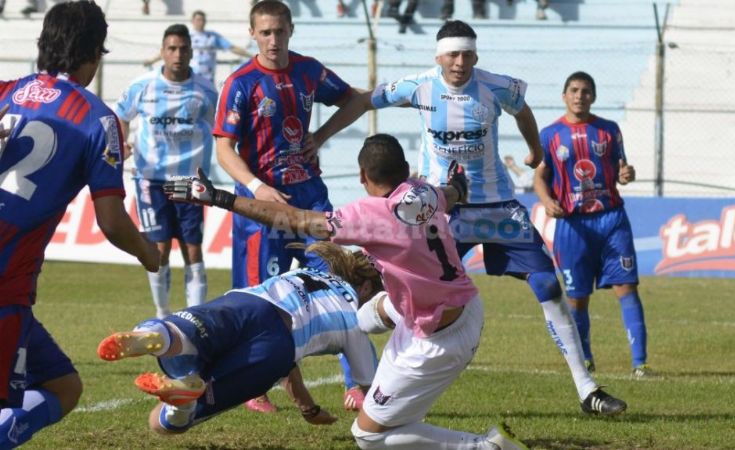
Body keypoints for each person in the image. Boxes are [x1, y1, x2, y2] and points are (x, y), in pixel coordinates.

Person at [307, 20, 627, 416]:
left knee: (547, 283)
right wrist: (320, 137)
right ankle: (353, 338)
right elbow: (362, 101)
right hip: (441, 207)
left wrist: (534, 151)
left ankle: (586, 389)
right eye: (453, 54)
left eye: (467, 54)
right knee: (407, 294)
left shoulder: (495, 86)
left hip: (497, 207)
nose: (460, 62)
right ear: (438, 56)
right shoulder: (418, 86)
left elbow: (523, 112)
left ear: (476, 55)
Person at [164, 133, 529, 449]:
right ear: (403, 171)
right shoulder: (423, 192)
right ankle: (386, 324)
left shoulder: (373, 213)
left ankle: (486, 446)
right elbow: (450, 194)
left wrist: (221, 198)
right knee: (365, 318)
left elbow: (298, 220)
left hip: (438, 336)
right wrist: (461, 187)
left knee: (368, 437)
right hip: (456, 305)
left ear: (362, 176)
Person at [0, 2, 160, 448]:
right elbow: (109, 220)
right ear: (93, 53)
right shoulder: (97, 119)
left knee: (64, 386)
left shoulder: (6, 91)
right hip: (4, 287)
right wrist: (147, 251)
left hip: (13, 293)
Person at [214, 0, 365, 414]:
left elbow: (354, 100)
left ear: (291, 30)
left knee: (339, 283)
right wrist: (256, 187)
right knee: (260, 298)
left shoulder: (309, 71)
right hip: (261, 206)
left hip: (310, 197)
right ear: (253, 34)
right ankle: (253, 385)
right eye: (265, 32)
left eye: (280, 31)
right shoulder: (241, 83)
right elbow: (223, 148)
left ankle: (356, 385)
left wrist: (322, 134)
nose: (273, 40)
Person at [97, 242, 380, 434]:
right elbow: (372, 393)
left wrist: (308, 407)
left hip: (247, 303)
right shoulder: (355, 318)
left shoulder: (306, 272)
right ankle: (182, 405)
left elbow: (289, 364)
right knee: (162, 424)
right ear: (365, 287)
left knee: (180, 333)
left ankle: (155, 333)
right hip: (275, 348)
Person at [534, 71, 650, 377]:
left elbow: (623, 170)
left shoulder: (609, 130)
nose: (579, 96)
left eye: (586, 91)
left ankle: (640, 364)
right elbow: (540, 176)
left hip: (611, 218)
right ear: (564, 96)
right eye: (573, 90)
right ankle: (585, 359)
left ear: (593, 96)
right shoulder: (549, 135)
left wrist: (627, 175)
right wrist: (547, 202)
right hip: (573, 226)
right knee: (577, 297)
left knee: (627, 288)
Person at [115, 24, 218, 319]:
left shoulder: (206, 91)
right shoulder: (142, 86)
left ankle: (193, 318)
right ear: (162, 52)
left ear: (191, 52)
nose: (178, 54)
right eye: (172, 48)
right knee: (159, 250)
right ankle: (162, 315)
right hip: (151, 179)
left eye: (183, 49)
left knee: (193, 251)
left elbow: (224, 128)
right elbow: (121, 115)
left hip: (190, 180)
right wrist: (122, 143)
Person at [144, 11, 251, 85]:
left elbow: (231, 47)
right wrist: (151, 60)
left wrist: (251, 56)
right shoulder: (186, 37)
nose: (200, 22)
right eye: (198, 19)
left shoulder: (212, 36)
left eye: (202, 20)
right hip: (190, 77)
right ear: (193, 21)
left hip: (208, 79)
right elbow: (169, 51)